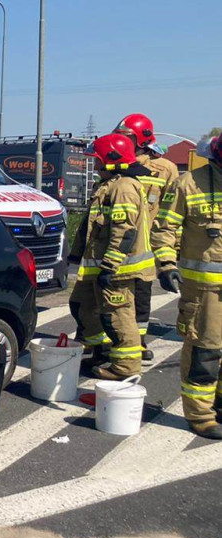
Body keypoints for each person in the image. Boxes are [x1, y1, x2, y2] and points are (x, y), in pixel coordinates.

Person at [149, 134, 222, 439]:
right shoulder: (189, 183)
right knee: (206, 352)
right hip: (205, 292)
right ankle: (201, 414)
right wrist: (166, 265)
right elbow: (164, 227)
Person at [67, 133, 156, 380]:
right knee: (82, 305)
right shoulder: (109, 184)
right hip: (99, 265)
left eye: (97, 160)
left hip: (118, 269)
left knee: (117, 316)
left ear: (112, 160)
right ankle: (101, 352)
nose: (93, 164)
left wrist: (110, 266)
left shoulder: (124, 188)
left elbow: (124, 231)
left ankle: (125, 368)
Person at [115, 114, 180, 362]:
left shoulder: (166, 169)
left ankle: (138, 342)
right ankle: (114, 340)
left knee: (141, 295)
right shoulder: (118, 162)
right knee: (113, 296)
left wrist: (171, 253)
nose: (122, 140)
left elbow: (171, 212)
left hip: (147, 247)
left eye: (127, 136)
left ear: (141, 139)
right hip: (117, 243)